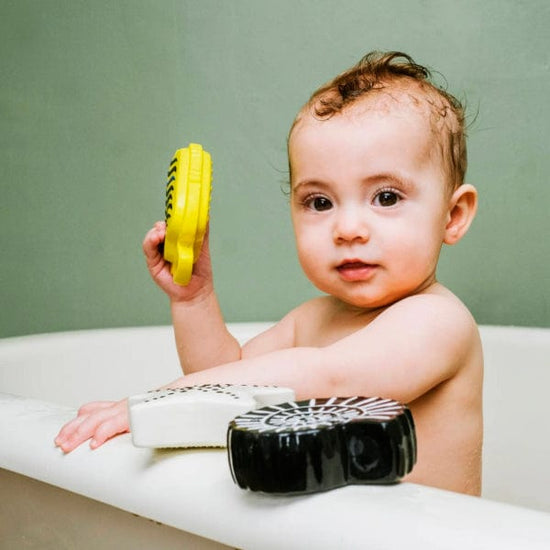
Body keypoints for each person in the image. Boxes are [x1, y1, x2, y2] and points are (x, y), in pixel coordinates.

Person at [55, 51, 483, 496]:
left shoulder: (438, 321)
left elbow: (330, 376)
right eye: (320, 202)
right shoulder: (312, 319)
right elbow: (228, 378)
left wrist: (161, 399)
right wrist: (195, 300)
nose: (349, 229)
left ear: (452, 215)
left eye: (387, 197)